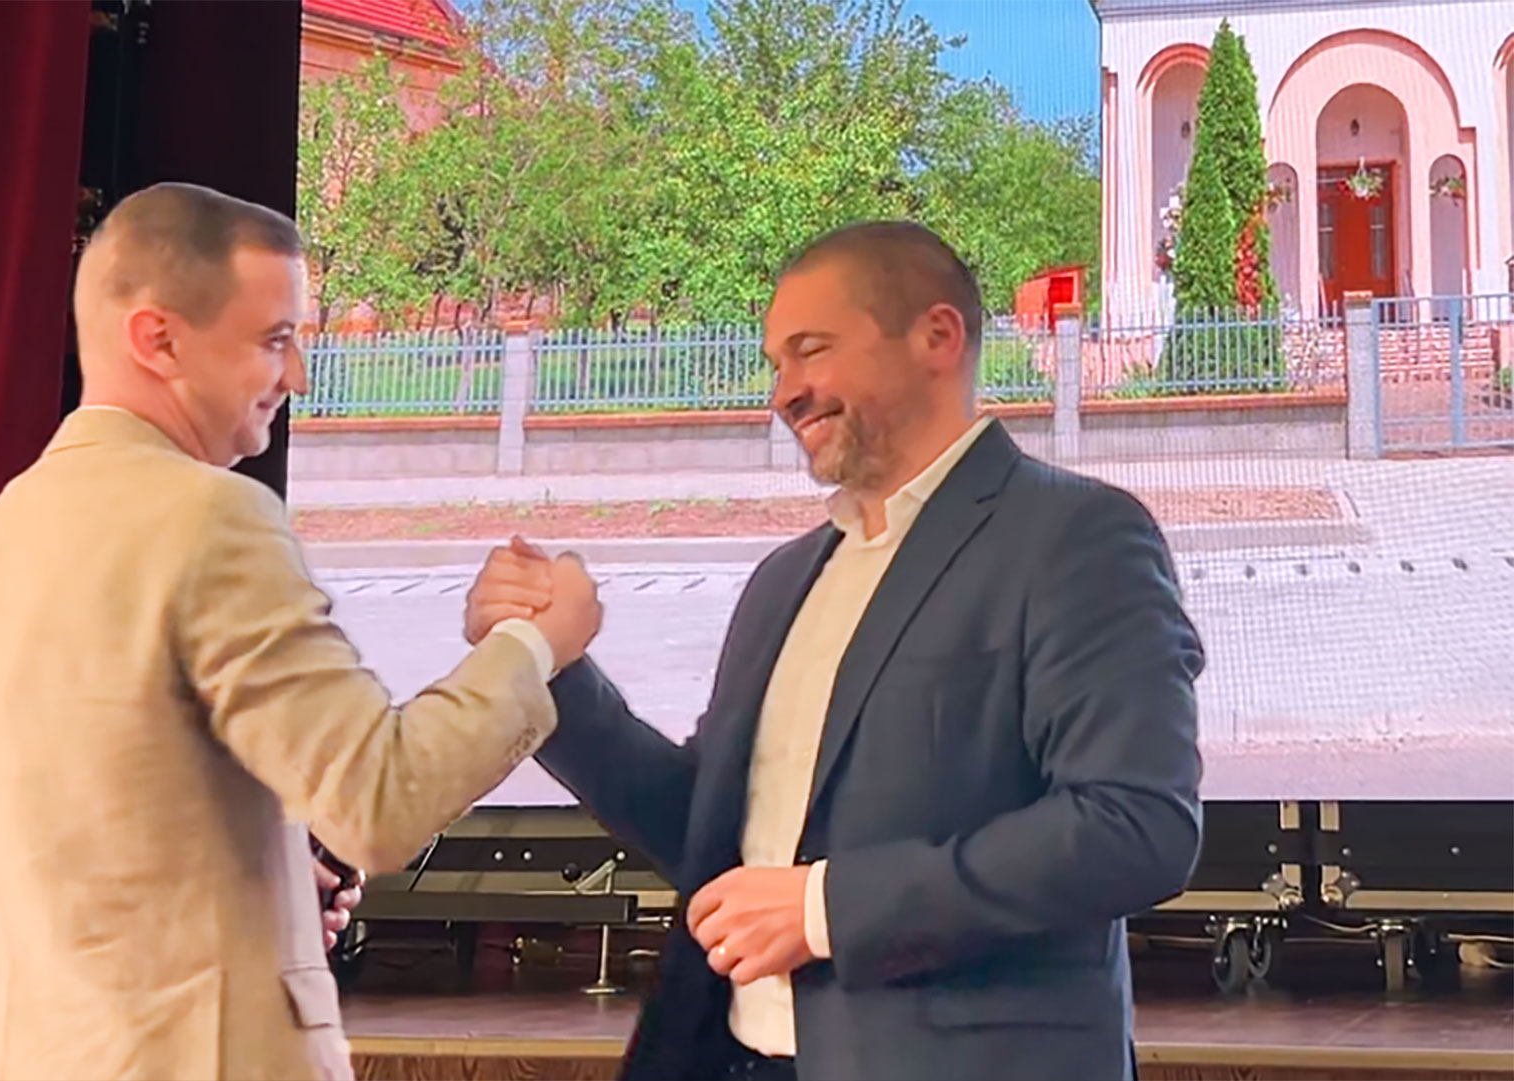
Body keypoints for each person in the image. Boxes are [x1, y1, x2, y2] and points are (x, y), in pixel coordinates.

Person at [0, 182, 601, 1081]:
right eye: (274, 339)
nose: (297, 375)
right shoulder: (209, 516)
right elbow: (378, 802)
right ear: (158, 339)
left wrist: (253, 891)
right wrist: (537, 644)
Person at [466, 222, 1205, 1081]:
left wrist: (822, 909)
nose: (786, 392)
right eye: (776, 364)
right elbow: (707, 834)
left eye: (811, 351)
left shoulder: (1077, 536)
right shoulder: (785, 580)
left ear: (937, 337)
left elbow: (1136, 826)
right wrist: (548, 665)